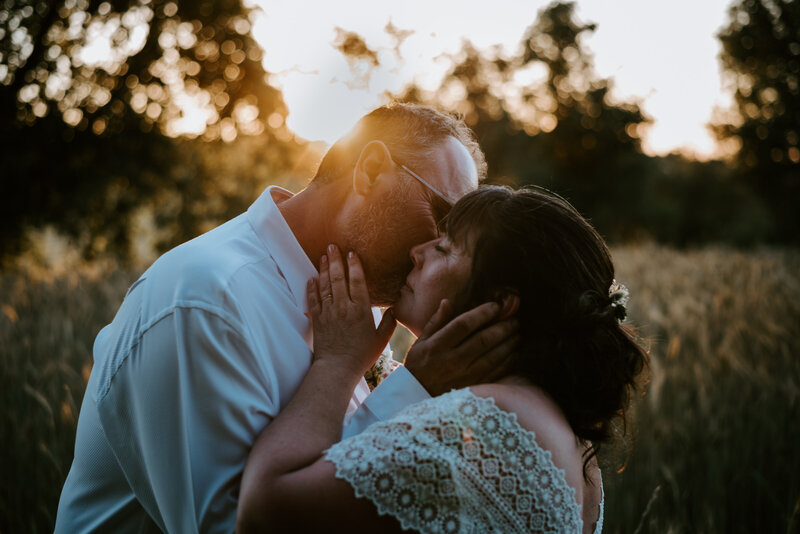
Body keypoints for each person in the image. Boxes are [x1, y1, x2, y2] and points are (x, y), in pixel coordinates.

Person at [55, 103, 518, 533]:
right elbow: (240, 524)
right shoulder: (207, 302)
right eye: (442, 219)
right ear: (372, 170)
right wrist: (410, 389)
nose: (435, 252)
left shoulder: (353, 306)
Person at [236, 186, 649, 534]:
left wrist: (337, 363)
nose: (417, 251)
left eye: (445, 247)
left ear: (500, 304)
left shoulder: (491, 421)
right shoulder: (580, 450)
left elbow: (264, 512)